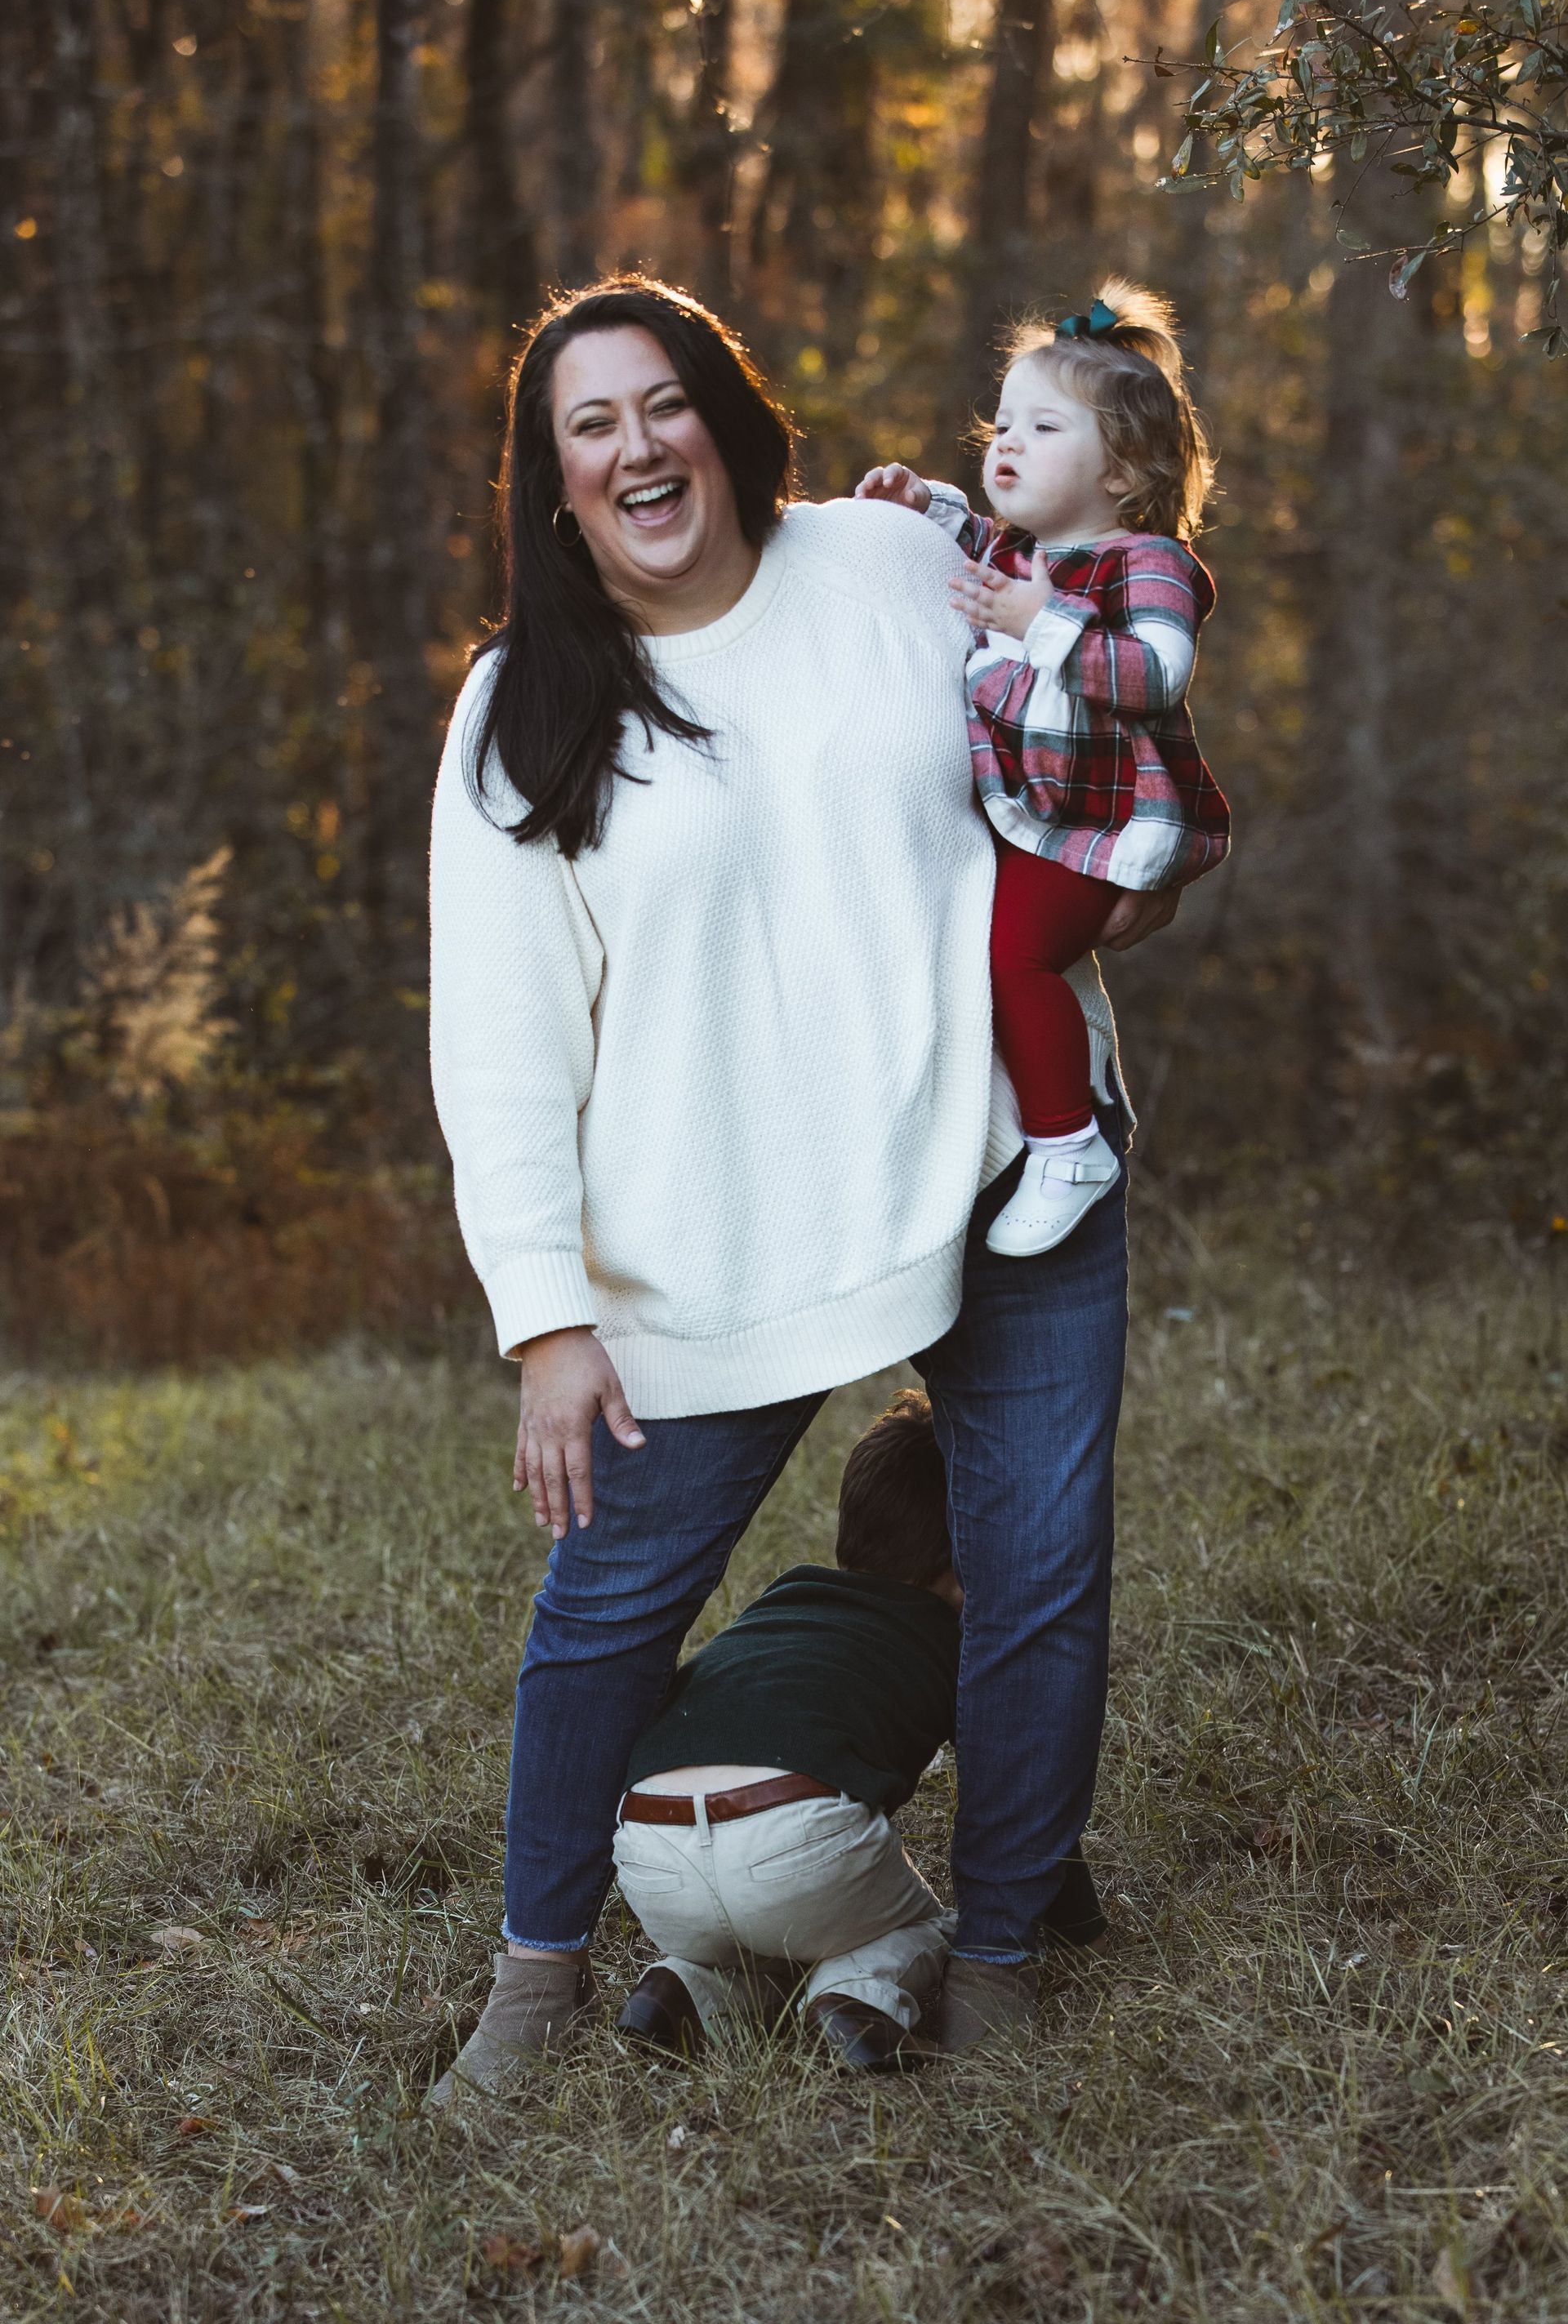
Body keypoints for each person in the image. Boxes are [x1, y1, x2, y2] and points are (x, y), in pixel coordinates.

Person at [425, 276, 1179, 2111]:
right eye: (589, 425)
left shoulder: (888, 566)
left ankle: (995, 1959)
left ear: (727, 419)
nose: (636, 447)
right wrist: (546, 1319)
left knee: (1033, 1582)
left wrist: (1131, 866)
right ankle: (534, 1982)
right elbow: (503, 1046)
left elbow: (1080, 731)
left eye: (663, 403)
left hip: (1003, 1171)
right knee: (602, 1610)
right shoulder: (527, 707)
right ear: (552, 478)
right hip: (713, 1237)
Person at [857, 278, 1229, 1259]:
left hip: (1105, 826)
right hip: (1039, 817)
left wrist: (1042, 624)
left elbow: (1156, 671)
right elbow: (970, 543)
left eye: (1044, 428)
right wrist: (918, 503)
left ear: (1123, 471)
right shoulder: (1025, 550)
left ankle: (1067, 1143)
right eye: (1004, 423)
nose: (1007, 444)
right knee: (980, 951)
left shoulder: (1144, 560)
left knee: (1010, 957)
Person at [612, 1391, 1108, 2077]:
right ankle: (857, 1999)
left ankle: (685, 1987)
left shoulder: (782, 1602)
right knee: (933, 1927)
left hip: (648, 1847)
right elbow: (1019, 1780)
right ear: (971, 1556)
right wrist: (1077, 1921)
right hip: (796, 1830)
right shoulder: (955, 1640)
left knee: (771, 1936)